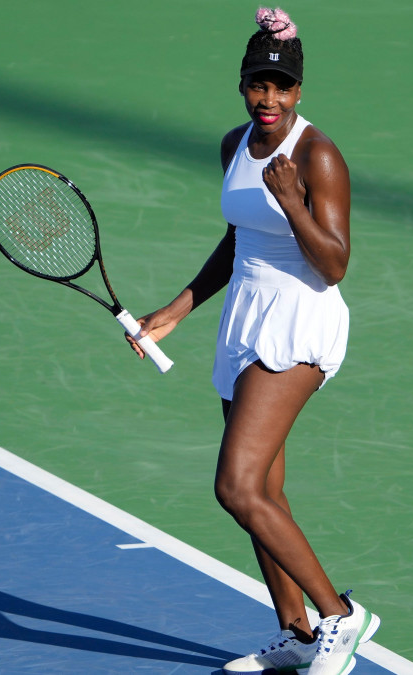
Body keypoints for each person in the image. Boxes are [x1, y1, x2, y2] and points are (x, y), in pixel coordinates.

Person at [128, 8, 378, 675]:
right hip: (243, 317)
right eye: (256, 84)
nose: (268, 98)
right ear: (242, 85)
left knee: (236, 486)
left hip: (300, 321)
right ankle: (296, 632)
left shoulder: (318, 154)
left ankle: (341, 617)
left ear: (299, 91)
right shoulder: (233, 144)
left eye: (280, 86)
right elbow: (238, 236)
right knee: (266, 487)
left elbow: (334, 265)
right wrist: (178, 308)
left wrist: (295, 201)